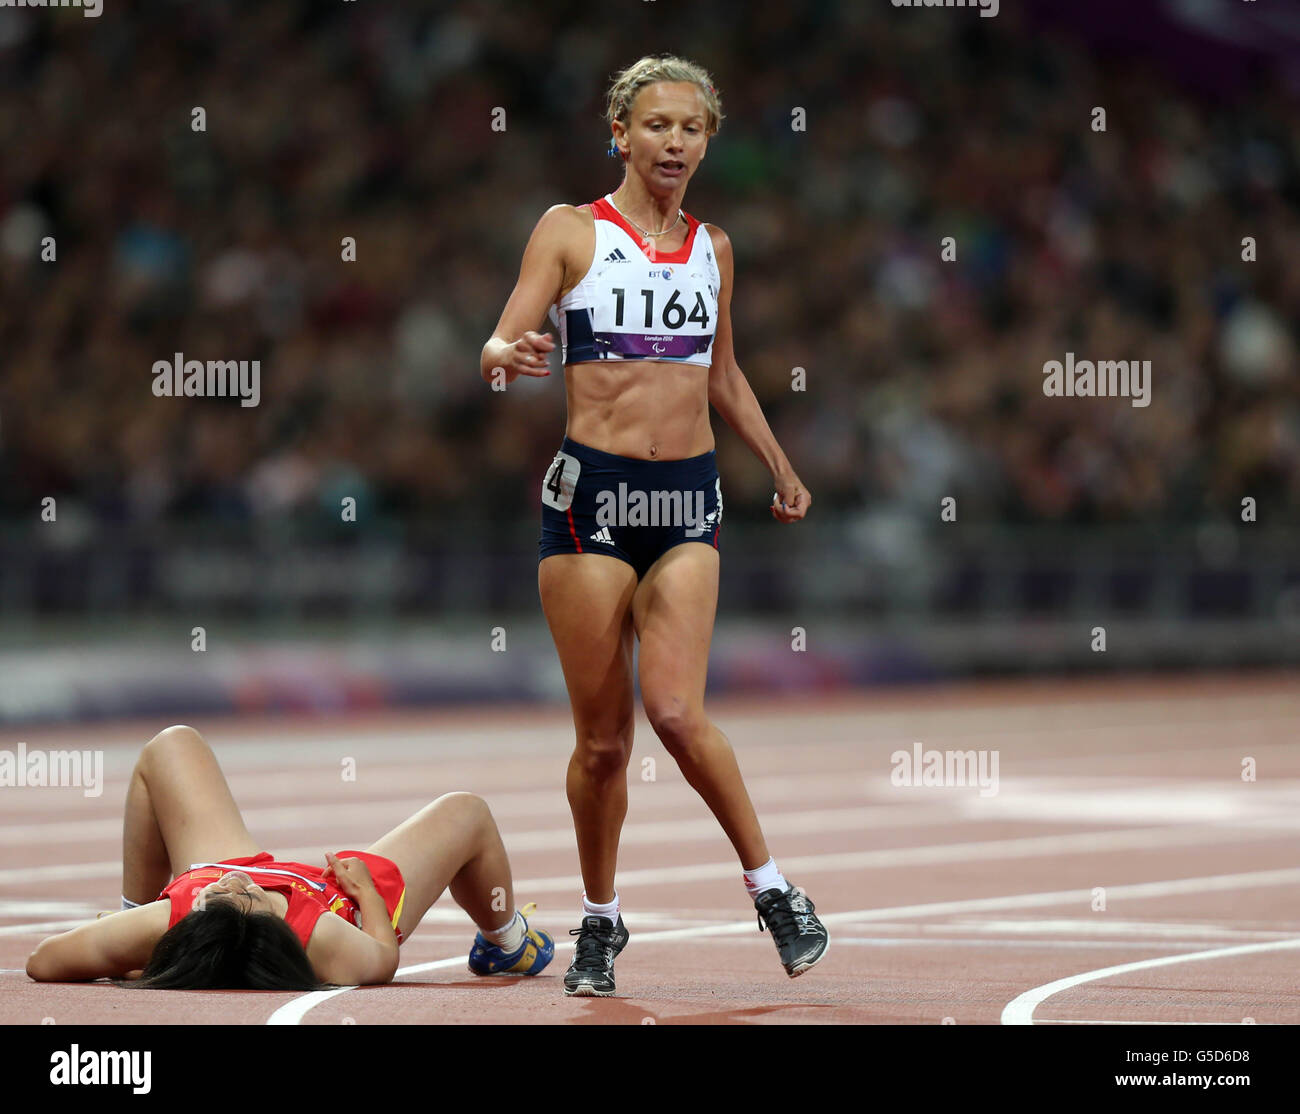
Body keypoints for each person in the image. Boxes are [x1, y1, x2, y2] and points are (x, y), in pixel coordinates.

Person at [479, 54, 830, 997]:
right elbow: (499, 339)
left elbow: (722, 372)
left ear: (707, 142)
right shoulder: (569, 232)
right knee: (604, 743)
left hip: (687, 499)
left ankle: (774, 889)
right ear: (620, 135)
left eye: (691, 129)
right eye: (657, 126)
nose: (674, 142)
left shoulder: (714, 247)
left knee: (677, 712)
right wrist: (506, 354)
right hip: (592, 501)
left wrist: (781, 464)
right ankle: (600, 919)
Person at [25, 724, 553, 989]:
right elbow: (382, 960)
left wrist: (134, 943)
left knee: (170, 746)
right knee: (467, 814)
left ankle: (138, 921)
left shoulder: (173, 916)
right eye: (239, 891)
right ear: (261, 910)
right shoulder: (322, 938)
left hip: (204, 886)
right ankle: (505, 941)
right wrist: (366, 891)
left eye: (214, 896)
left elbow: (42, 961)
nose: (228, 883)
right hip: (335, 896)